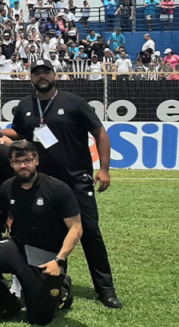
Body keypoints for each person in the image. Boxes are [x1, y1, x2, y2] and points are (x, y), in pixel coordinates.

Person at [8, 59, 121, 308]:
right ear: (31, 78)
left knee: (89, 232)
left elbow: (100, 133)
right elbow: (18, 133)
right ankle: (55, 283)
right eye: (37, 73)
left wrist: (104, 169)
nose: (42, 76)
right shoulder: (25, 106)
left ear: (55, 75)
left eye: (46, 72)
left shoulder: (74, 102)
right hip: (43, 184)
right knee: (49, 234)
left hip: (76, 179)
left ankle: (106, 289)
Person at [0, 141, 81, 325]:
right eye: (17, 161)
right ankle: (9, 302)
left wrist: (59, 261)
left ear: (36, 160)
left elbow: (76, 228)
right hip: (17, 248)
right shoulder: (9, 186)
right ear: (11, 164)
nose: (23, 165)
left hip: (46, 255)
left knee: (39, 318)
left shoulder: (57, 188)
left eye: (27, 161)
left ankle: (63, 287)